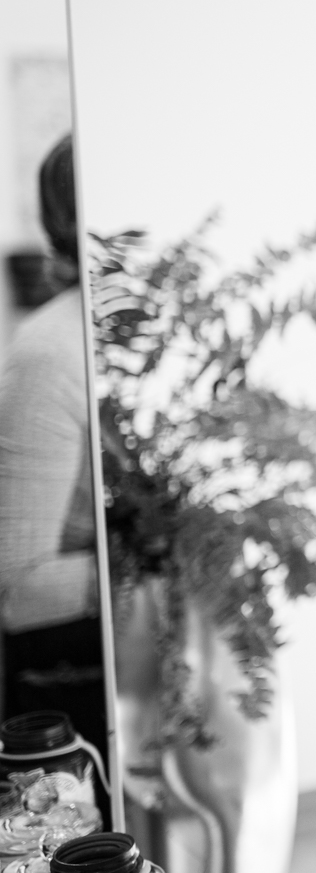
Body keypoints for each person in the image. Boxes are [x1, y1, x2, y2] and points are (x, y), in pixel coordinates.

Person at [0, 134, 107, 756]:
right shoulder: (49, 355)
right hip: (77, 682)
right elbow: (17, 590)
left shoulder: (175, 326)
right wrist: (152, 575)